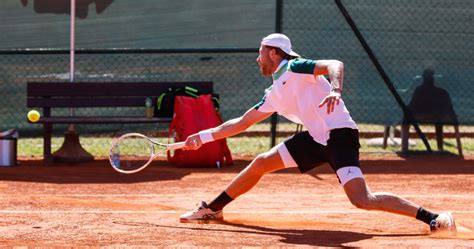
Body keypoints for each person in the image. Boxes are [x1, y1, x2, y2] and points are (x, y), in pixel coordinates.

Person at [179, 33, 456, 232]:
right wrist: (201, 137)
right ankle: (213, 208)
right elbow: (241, 123)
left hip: (339, 135)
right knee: (261, 162)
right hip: (314, 137)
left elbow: (334, 64)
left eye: (261, 52)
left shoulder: (297, 67)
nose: (257, 58)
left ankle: (434, 218)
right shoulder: (274, 92)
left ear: (274, 53)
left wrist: (335, 89)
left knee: (362, 200)